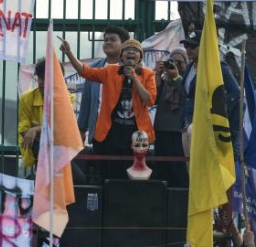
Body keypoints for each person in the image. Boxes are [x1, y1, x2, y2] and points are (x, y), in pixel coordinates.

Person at [60, 38, 157, 182]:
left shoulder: (148, 75)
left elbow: (149, 100)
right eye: (127, 50)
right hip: (110, 134)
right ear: (121, 56)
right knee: (110, 174)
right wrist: (69, 53)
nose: (131, 52)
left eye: (135, 50)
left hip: (135, 136)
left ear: (140, 57)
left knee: (132, 176)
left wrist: (135, 78)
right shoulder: (110, 71)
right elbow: (85, 72)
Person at [180, 31, 241, 158]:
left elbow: (235, 92)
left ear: (204, 46)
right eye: (186, 46)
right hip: (187, 123)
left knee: (202, 166)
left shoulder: (216, 66)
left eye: (193, 46)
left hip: (205, 125)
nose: (188, 49)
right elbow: (186, 96)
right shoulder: (190, 67)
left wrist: (217, 113)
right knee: (190, 167)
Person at [77, 26, 130, 146]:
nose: (108, 42)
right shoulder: (94, 68)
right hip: (99, 134)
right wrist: (81, 129)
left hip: (126, 132)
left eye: (113, 39)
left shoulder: (132, 69)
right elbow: (87, 102)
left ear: (124, 44)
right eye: (106, 40)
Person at [152, 48, 189, 187]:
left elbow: (187, 96)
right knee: (162, 168)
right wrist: (157, 74)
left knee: (179, 170)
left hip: (180, 132)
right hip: (161, 130)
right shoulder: (163, 81)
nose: (177, 65)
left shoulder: (187, 81)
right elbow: (152, 99)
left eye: (180, 62)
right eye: (173, 62)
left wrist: (176, 77)